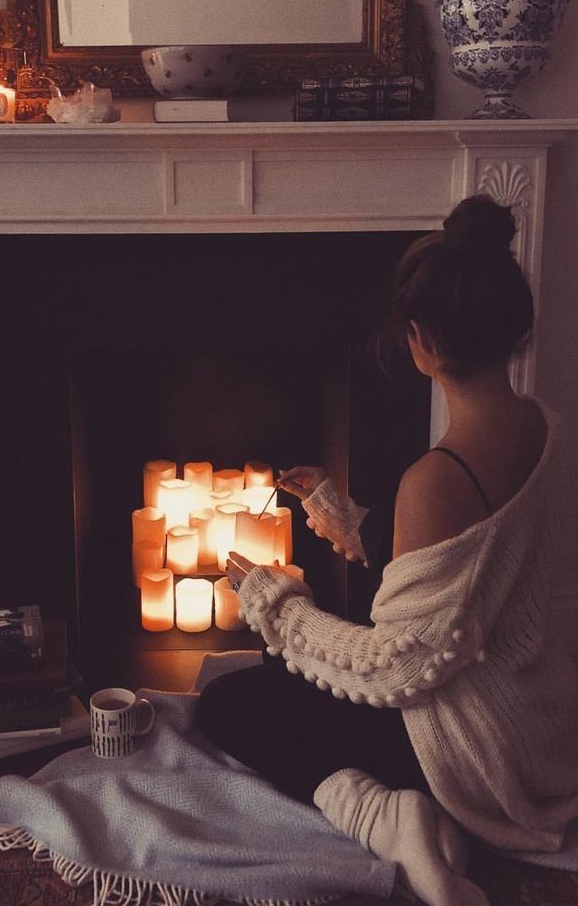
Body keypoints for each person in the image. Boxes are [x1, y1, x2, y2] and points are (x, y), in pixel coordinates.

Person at [196, 195, 578, 906]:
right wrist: (337, 515)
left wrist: (275, 602)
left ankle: (388, 818)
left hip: (463, 747)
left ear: (422, 339)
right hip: (538, 719)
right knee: (280, 681)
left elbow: (394, 667)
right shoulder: (548, 428)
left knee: (230, 701)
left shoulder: (435, 478)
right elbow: (467, 573)